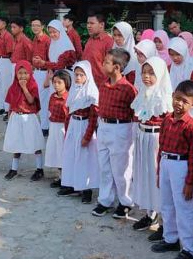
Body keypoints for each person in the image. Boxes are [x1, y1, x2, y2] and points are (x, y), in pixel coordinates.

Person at [151, 80, 193, 259]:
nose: (179, 104)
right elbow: (161, 147)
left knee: (184, 208)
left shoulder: (191, 127)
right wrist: (159, 171)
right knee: (167, 203)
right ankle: (170, 239)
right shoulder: (167, 120)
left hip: (181, 166)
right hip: (166, 162)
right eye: (177, 98)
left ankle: (189, 249)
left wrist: (190, 182)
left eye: (184, 101)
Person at [92, 48, 138, 219]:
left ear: (117, 67)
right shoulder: (104, 84)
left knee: (121, 168)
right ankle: (105, 200)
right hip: (103, 126)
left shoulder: (128, 89)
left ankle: (125, 202)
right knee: (104, 166)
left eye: (106, 62)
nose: (103, 64)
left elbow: (134, 112)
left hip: (121, 128)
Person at [130, 56, 173, 237]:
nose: (146, 77)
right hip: (142, 137)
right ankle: (150, 213)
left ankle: (164, 221)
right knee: (145, 175)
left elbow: (168, 122)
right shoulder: (141, 93)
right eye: (144, 73)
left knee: (157, 178)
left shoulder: (165, 97)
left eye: (151, 73)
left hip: (156, 140)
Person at [59, 61, 99, 203]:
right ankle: (72, 185)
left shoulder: (91, 93)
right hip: (73, 127)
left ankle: (86, 189)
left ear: (87, 76)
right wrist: (67, 130)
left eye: (81, 75)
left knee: (84, 159)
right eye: (76, 75)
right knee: (71, 156)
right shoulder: (74, 92)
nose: (78, 78)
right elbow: (69, 112)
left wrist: (87, 137)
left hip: (84, 126)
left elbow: (94, 118)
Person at [2, 61, 47, 182]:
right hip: (16, 117)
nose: (22, 76)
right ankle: (14, 168)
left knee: (34, 143)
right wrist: (10, 114)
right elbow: (11, 103)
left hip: (29, 117)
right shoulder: (13, 87)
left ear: (30, 73)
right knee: (17, 143)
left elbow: (31, 100)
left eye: (25, 73)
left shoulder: (32, 85)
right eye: (20, 73)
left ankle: (39, 169)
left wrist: (24, 88)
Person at [45, 70, 71, 188]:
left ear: (66, 83)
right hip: (54, 126)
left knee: (63, 153)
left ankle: (66, 179)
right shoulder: (52, 96)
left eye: (59, 82)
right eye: (54, 82)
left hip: (63, 127)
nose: (56, 85)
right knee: (56, 152)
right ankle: (60, 177)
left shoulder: (68, 97)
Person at [82, 14, 114, 88]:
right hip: (86, 83)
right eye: (88, 23)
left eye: (92, 23)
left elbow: (110, 66)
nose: (88, 26)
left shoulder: (109, 41)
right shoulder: (90, 39)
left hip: (101, 85)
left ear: (101, 25)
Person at [31, 18, 52, 132]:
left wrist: (48, 78)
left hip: (44, 73)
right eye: (33, 25)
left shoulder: (47, 40)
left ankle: (45, 127)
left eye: (37, 25)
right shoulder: (34, 39)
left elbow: (50, 59)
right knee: (38, 100)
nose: (35, 27)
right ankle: (42, 124)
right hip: (36, 72)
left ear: (42, 26)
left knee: (44, 101)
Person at [0, 16, 14, 118]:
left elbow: (10, 52)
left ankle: (8, 109)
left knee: (6, 86)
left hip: (6, 60)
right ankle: (2, 107)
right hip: (0, 60)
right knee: (0, 85)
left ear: (4, 24)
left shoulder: (8, 36)